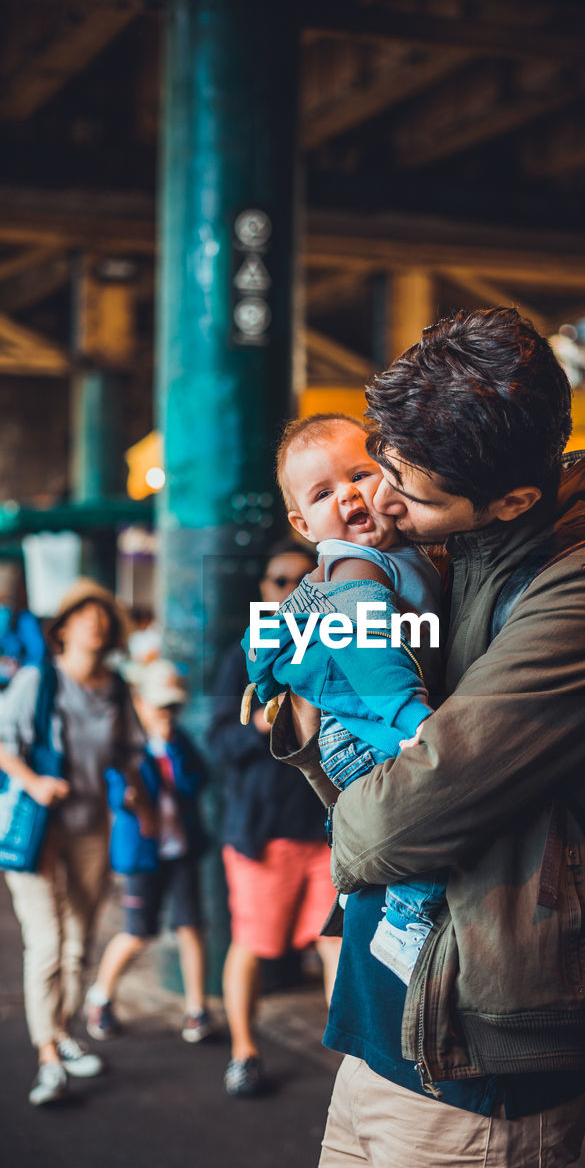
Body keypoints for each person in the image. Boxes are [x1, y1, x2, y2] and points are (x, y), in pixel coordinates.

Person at [270, 308, 585, 1168]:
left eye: (403, 487)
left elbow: (389, 825)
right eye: (379, 464)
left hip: (476, 1042)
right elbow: (293, 694)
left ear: (511, 497)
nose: (378, 501)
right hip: (380, 1014)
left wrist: (322, 701)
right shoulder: (444, 551)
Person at [244, 415, 445, 984]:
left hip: (366, 728)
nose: (350, 494)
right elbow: (370, 654)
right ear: (303, 523)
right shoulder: (355, 569)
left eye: (361, 473)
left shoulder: (401, 553)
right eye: (324, 493)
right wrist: (414, 719)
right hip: (370, 731)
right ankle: (407, 923)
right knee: (433, 815)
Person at [0, 578, 146, 1107]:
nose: (95, 624)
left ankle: (65, 1031)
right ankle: (47, 1054)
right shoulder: (38, 680)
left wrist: (132, 788)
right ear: (65, 627)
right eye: (84, 615)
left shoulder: (115, 686)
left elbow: (129, 750)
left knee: (79, 941)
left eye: (103, 617)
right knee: (48, 941)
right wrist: (32, 781)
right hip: (37, 829)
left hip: (91, 826)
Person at [209, 542, 339, 1098]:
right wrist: (269, 723)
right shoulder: (243, 657)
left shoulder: (340, 648)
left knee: (335, 945)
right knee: (254, 944)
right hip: (265, 833)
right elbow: (219, 740)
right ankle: (244, 1051)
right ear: (263, 589)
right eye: (277, 579)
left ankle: (348, 1064)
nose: (288, 590)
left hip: (331, 829)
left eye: (300, 580)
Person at [85, 658, 211, 1044]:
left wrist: (170, 751)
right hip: (142, 855)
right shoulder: (124, 747)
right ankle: (101, 996)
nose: (167, 714)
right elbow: (118, 795)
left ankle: (196, 1008)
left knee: (190, 927)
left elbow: (196, 782)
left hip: (180, 849)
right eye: (160, 706)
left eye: (173, 706)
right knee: (138, 932)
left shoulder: (179, 742)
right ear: (139, 701)